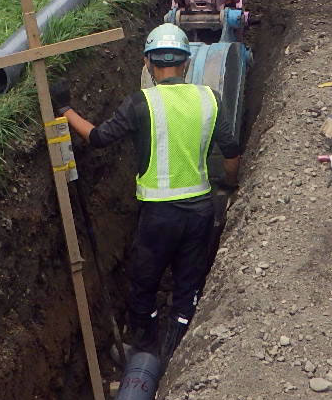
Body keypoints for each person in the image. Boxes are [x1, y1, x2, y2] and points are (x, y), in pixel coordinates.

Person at [56, 23, 242, 359]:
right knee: (188, 283)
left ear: (147, 63)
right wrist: (229, 184)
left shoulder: (141, 103)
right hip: (200, 211)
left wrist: (66, 110)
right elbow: (231, 152)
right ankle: (179, 349)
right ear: (186, 63)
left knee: (144, 284)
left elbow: (98, 138)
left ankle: (145, 345)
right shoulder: (209, 99)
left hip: (158, 216)